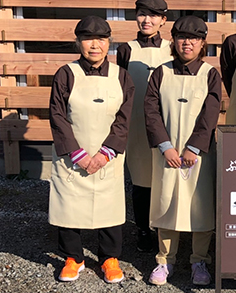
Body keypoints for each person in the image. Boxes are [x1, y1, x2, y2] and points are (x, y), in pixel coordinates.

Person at [49, 16, 135, 284]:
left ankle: (109, 257)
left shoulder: (121, 75)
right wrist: (78, 154)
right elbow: (57, 116)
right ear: (78, 42)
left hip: (107, 156)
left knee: (109, 206)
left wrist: (105, 152)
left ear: (109, 43)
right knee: (68, 206)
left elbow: (124, 118)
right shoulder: (66, 73)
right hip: (73, 156)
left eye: (100, 39)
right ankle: (73, 257)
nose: (94, 45)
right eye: (87, 39)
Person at [144, 15, 221, 286]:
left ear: (203, 44)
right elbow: (151, 111)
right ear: (173, 41)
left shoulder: (210, 74)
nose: (187, 43)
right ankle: (164, 260)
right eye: (182, 37)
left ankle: (199, 260)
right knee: (166, 202)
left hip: (197, 154)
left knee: (200, 205)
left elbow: (210, 112)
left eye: (195, 38)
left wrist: (194, 146)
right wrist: (165, 146)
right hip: (167, 153)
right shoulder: (160, 73)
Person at [117, 0, 173, 252]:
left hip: (166, 122)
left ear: (163, 20)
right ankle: (142, 229)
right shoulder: (126, 49)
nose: (146, 20)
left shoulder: (172, 47)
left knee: (165, 177)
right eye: (141, 14)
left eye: (152, 15)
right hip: (137, 123)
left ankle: (166, 228)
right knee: (141, 180)